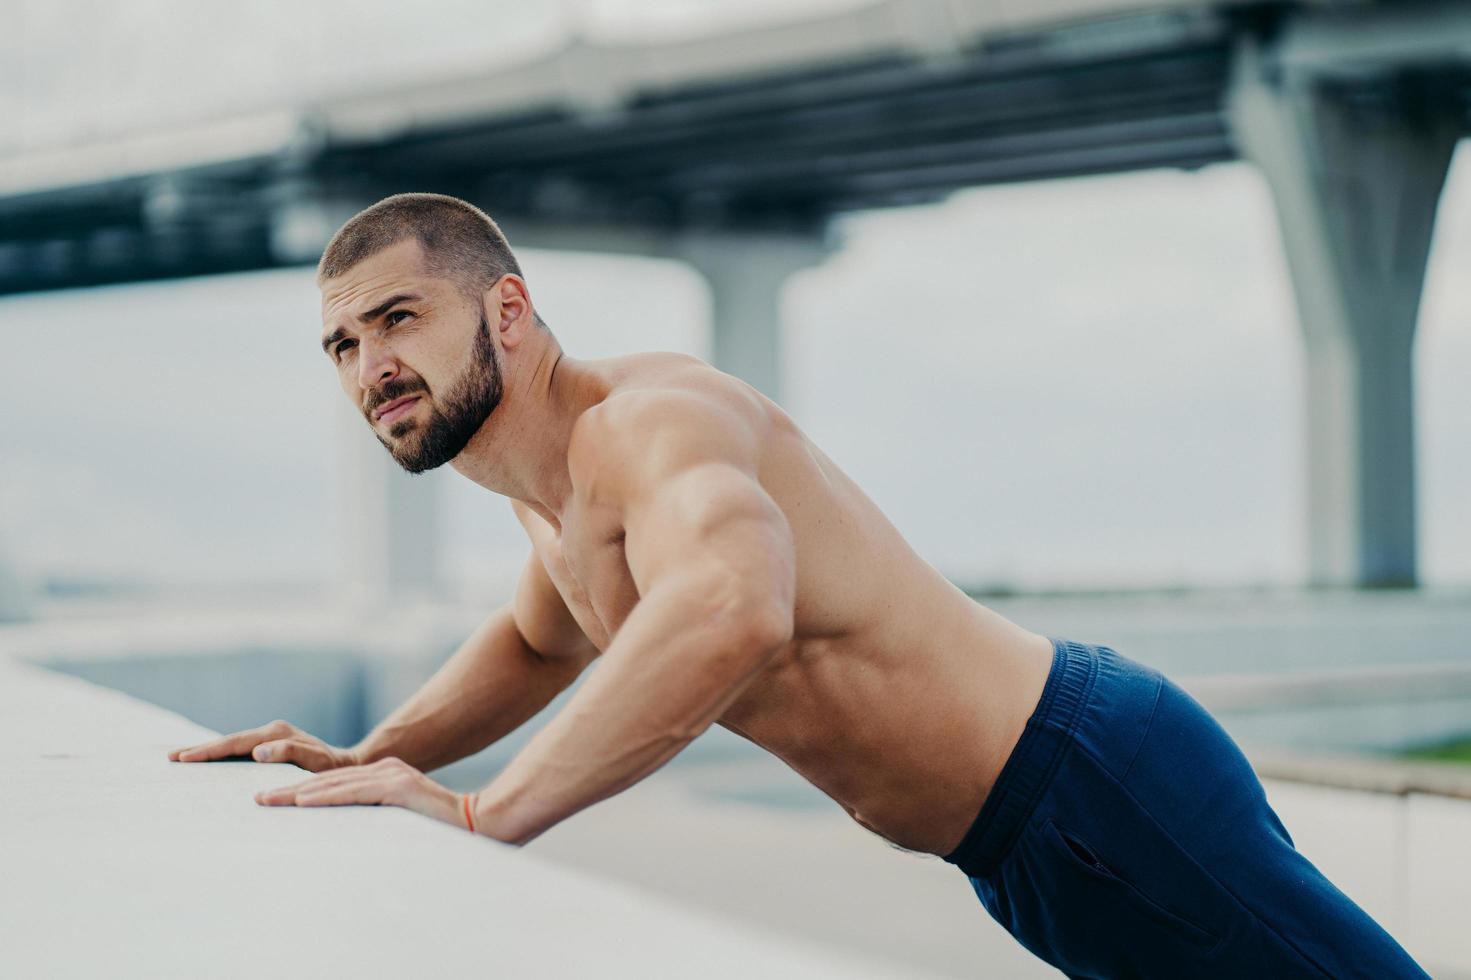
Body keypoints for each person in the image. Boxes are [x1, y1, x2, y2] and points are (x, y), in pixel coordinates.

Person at [170, 193, 1428, 978]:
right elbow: (531, 639)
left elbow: (730, 602)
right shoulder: (547, 497)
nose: (369, 364)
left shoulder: (646, 427)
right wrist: (365, 754)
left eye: (397, 318)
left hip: (1092, 780)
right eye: (342, 343)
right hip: (1022, 848)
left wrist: (485, 812)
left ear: (507, 308)